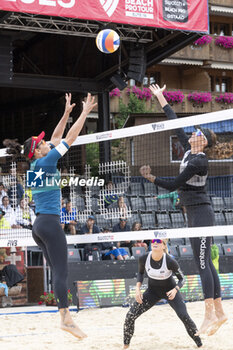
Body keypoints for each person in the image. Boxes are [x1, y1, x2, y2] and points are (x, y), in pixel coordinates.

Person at [4, 92, 97, 339]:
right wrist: (85, 113)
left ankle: (65, 317)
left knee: (57, 270)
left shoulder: (37, 164)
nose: (47, 142)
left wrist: (67, 112)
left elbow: (56, 138)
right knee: (61, 272)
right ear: (38, 151)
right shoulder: (45, 163)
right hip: (49, 224)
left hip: (39, 226)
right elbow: (69, 138)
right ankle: (65, 318)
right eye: (42, 142)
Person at [139, 84, 227, 336]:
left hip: (201, 213)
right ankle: (219, 312)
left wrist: (151, 178)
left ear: (203, 140)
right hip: (195, 212)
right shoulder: (189, 151)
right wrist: (160, 98)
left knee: (202, 264)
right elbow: (174, 124)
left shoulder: (199, 160)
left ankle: (210, 314)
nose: (192, 132)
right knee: (206, 263)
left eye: (197, 131)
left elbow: (174, 184)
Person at [123, 238, 202, 349]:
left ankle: (199, 344)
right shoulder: (144, 258)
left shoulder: (170, 261)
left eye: (159, 242)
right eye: (153, 241)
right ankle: (126, 345)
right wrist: (137, 289)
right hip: (152, 292)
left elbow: (182, 279)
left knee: (184, 316)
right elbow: (140, 273)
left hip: (170, 292)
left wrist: (175, 290)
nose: (155, 243)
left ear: (164, 246)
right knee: (130, 316)